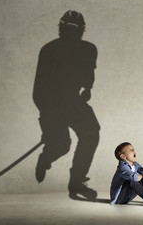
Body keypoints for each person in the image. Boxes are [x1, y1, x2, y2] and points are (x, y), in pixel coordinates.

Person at [33, 10, 100, 200]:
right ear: (62, 28)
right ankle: (46, 158)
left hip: (73, 103)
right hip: (51, 106)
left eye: (75, 29)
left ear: (81, 30)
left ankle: (77, 182)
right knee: (62, 145)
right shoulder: (49, 51)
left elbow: (89, 74)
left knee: (91, 133)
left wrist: (87, 89)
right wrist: (49, 115)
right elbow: (38, 90)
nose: (71, 33)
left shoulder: (89, 49)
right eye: (68, 28)